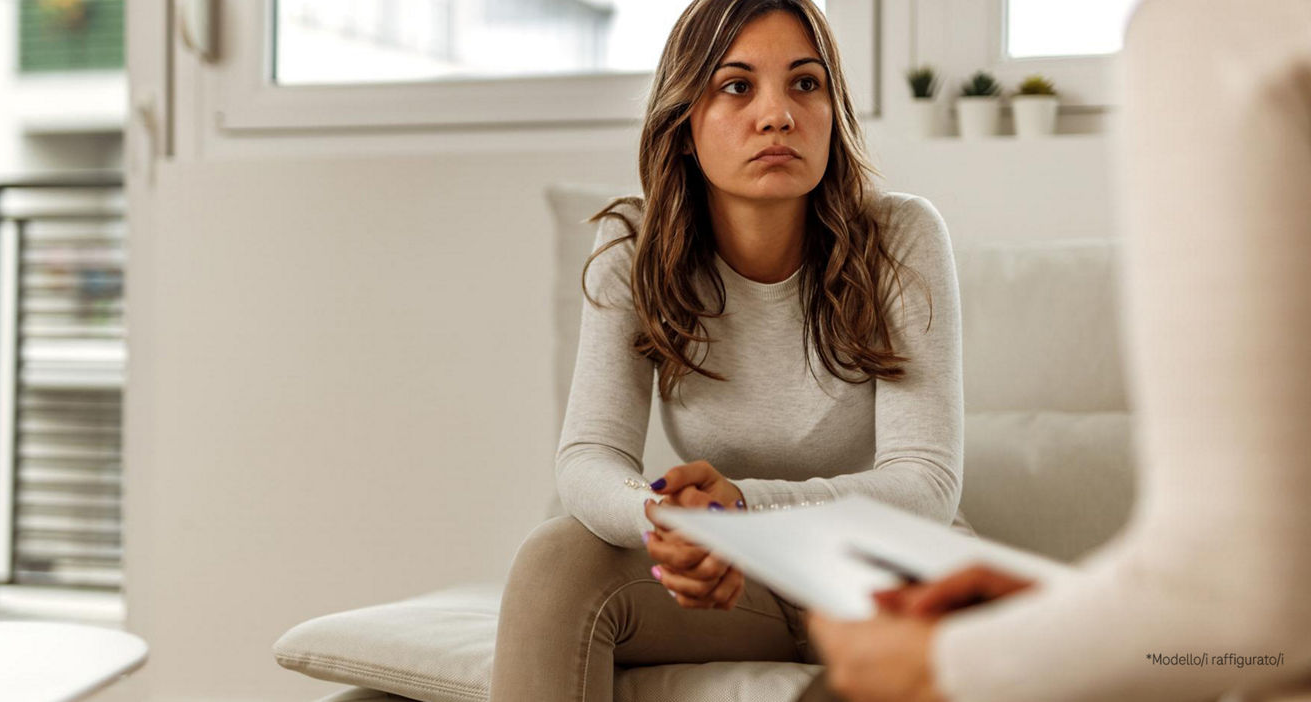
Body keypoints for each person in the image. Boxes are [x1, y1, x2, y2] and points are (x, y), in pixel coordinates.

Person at [800, 1, 1311, 701]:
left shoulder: (1214, 28)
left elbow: (1234, 594)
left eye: (807, 83)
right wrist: (1072, 609)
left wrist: (945, 666)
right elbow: (1273, 610)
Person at [488, 1, 973, 699]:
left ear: (834, 112)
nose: (777, 115)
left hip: (877, 576)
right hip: (731, 575)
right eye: (737, 86)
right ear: (684, 120)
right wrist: (661, 517)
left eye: (805, 84)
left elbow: (924, 482)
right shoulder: (634, 246)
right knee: (556, 558)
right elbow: (589, 455)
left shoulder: (901, 237)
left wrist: (742, 509)